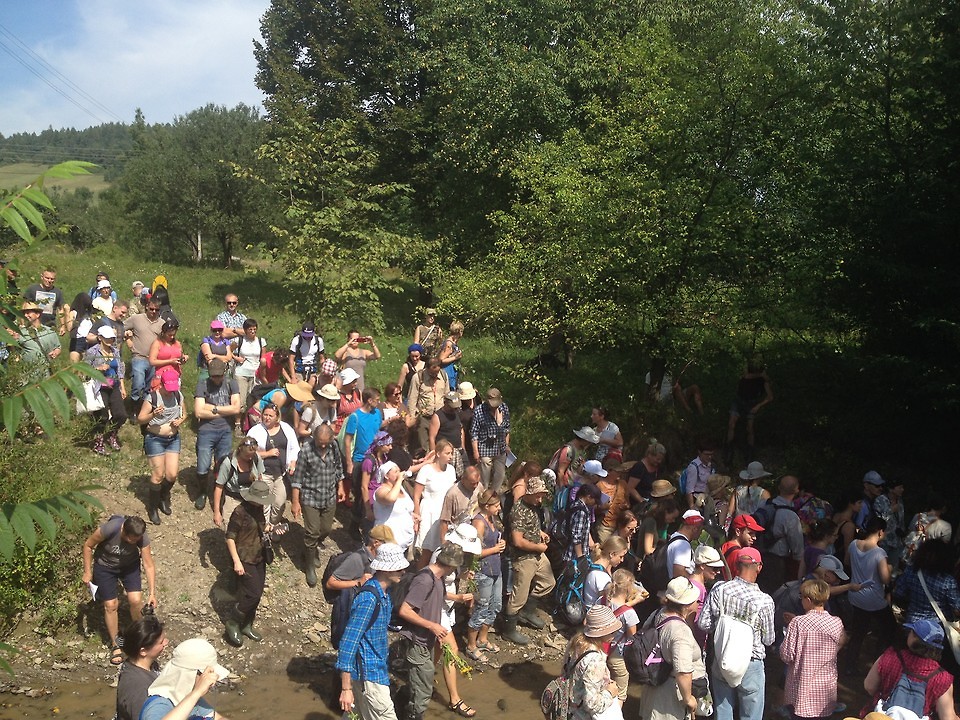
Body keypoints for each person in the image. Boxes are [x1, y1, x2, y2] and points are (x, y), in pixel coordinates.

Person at [698, 547, 775, 720]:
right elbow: (769, 639)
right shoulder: (765, 601)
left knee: (723, 710)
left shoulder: (719, 589)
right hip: (751, 663)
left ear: (736, 565)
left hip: (722, 657)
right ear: (759, 567)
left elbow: (704, 623)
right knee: (751, 714)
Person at [336, 542, 409, 720]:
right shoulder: (369, 599)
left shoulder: (385, 594)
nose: (403, 572)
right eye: (399, 568)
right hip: (369, 675)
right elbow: (348, 643)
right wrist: (346, 688)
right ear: (386, 570)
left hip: (374, 671)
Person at [397, 542, 465, 720]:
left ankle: (398, 707)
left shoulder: (438, 578)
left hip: (427, 640)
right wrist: (432, 626)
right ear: (451, 565)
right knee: (423, 691)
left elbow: (436, 600)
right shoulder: (425, 580)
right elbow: (405, 610)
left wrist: (437, 631)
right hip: (417, 641)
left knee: (418, 684)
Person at [81, 515, 157, 667]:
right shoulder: (110, 529)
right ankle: (116, 644)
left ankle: (140, 637)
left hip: (129, 567)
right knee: (111, 605)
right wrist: (87, 571)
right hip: (105, 567)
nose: (133, 542)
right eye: (130, 540)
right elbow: (88, 546)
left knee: (135, 600)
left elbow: (148, 565)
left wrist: (152, 593)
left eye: (136, 540)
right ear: (123, 531)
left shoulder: (142, 536)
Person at [639, 577, 707, 720]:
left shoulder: (657, 614)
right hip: (669, 700)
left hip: (653, 688)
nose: (698, 602)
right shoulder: (680, 631)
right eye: (696, 600)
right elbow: (682, 671)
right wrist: (688, 699)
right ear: (687, 604)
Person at [223, 478, 280, 647]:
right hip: (244, 557)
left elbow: (260, 527)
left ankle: (247, 624)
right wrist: (236, 562)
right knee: (253, 593)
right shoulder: (239, 512)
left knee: (258, 593)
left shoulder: (259, 509)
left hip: (258, 555)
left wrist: (272, 528)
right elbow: (230, 538)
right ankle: (233, 621)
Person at [780, 579, 847, 720]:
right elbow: (841, 641)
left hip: (801, 689)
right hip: (825, 691)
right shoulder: (836, 622)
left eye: (802, 597)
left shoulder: (798, 623)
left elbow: (787, 655)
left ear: (808, 600)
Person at [863, 619, 957, 720]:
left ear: (914, 638)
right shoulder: (942, 678)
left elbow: (869, 686)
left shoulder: (890, 657)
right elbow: (947, 717)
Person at [503, 474, 555, 645]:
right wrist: (538, 547)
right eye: (538, 496)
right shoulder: (518, 511)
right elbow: (518, 541)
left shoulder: (533, 506)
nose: (540, 499)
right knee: (519, 595)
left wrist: (540, 533)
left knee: (548, 582)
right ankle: (508, 629)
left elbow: (530, 525)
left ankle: (527, 611)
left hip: (537, 554)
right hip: (524, 557)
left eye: (542, 496)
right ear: (530, 493)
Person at [291, 424, 346, 586]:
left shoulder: (333, 446)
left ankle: (311, 548)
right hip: (311, 497)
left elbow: (338, 468)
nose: (322, 446)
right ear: (314, 438)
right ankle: (309, 565)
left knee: (326, 529)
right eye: (319, 442)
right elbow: (297, 479)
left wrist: (341, 487)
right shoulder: (306, 451)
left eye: (325, 443)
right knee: (312, 532)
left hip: (329, 496)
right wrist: (295, 502)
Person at [844, 516, 896, 669]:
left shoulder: (853, 544)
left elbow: (846, 562)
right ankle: (879, 663)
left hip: (855, 595)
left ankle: (849, 665)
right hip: (873, 598)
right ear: (880, 532)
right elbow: (885, 579)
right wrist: (890, 569)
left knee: (858, 632)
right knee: (889, 628)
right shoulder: (879, 553)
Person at [139, 638, 231, 720]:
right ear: (191, 674)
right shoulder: (158, 705)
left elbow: (218, 718)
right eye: (206, 677)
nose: (212, 683)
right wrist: (197, 692)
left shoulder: (191, 698)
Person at [137, 372, 186, 524]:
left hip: (173, 439)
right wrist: (153, 414)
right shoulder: (152, 398)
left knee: (172, 475)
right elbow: (140, 419)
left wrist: (180, 420)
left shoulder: (178, 395)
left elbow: (184, 414)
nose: (170, 391)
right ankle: (152, 508)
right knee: (158, 475)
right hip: (155, 439)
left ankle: (163, 497)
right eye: (168, 388)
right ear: (162, 384)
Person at [193, 358, 241, 511]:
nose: (216, 379)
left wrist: (213, 408)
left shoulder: (231, 383)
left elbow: (236, 409)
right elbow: (198, 412)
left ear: (224, 373)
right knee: (202, 466)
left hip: (225, 431)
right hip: (206, 430)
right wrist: (225, 410)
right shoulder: (202, 384)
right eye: (213, 376)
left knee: (222, 464)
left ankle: (218, 493)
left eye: (219, 376)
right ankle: (202, 491)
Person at [465, 489, 506, 662]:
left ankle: (482, 639)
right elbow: (474, 552)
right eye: (496, 506)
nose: (499, 508)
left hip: (495, 569)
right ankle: (471, 645)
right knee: (481, 608)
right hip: (483, 571)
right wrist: (495, 549)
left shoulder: (492, 519)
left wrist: (500, 543)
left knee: (495, 605)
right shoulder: (479, 523)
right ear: (487, 506)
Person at [564, 605, 625, 720]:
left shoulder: (576, 643)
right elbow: (592, 704)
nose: (615, 634)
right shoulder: (595, 660)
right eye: (612, 631)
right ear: (601, 633)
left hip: (571, 708)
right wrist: (610, 692)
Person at [893, 529, 960, 623]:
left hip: (913, 622)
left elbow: (899, 593)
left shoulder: (911, 571)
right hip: (937, 626)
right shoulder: (948, 581)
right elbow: (957, 609)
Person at [246, 402, 297, 523]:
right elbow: (247, 452)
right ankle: (264, 528)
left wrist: (293, 461)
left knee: (279, 503)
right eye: (265, 415)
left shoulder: (286, 429)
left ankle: (273, 523)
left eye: (270, 416)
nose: (267, 418)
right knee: (264, 504)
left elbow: (294, 447)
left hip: (281, 474)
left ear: (277, 417)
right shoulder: (255, 431)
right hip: (263, 473)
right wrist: (267, 453)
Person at [412, 439, 458, 567]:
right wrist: (417, 516)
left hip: (445, 513)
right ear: (438, 453)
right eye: (447, 453)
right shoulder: (426, 470)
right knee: (427, 552)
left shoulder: (451, 470)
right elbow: (416, 496)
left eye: (451, 453)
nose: (450, 456)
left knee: (442, 551)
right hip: (429, 512)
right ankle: (420, 576)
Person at [758, 475, 805, 594]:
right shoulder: (791, 516)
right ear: (796, 491)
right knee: (774, 595)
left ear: (779, 487)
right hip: (777, 564)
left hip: (758, 556)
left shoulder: (764, 504)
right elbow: (797, 548)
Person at [345, 388, 385, 529]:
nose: (379, 402)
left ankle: (370, 520)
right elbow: (348, 440)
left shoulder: (377, 413)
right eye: (377, 399)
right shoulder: (355, 417)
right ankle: (355, 525)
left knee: (373, 489)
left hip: (375, 457)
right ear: (369, 400)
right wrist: (349, 463)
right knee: (360, 493)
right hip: (360, 459)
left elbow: (378, 429)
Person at [85, 325, 128, 455]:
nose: (110, 340)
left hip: (113, 386)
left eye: (112, 338)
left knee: (121, 415)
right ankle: (98, 441)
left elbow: (120, 370)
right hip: (100, 388)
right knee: (102, 417)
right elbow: (84, 370)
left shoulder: (115, 352)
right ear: (100, 338)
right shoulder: (92, 352)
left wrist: (122, 387)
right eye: (108, 338)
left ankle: (111, 434)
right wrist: (97, 369)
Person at [115, 615, 168, 720]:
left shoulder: (148, 664)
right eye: (161, 642)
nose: (166, 642)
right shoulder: (137, 688)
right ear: (143, 651)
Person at [603, 569, 644, 702]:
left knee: (602, 688)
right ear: (628, 588)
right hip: (617, 656)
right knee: (619, 695)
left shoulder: (602, 600)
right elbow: (632, 640)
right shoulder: (629, 614)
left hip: (600, 651)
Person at [725, 357, 773, 464]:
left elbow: (770, 397)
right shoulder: (747, 375)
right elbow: (745, 376)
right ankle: (729, 452)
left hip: (751, 404)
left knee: (750, 429)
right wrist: (760, 375)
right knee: (731, 424)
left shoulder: (763, 382)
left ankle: (750, 455)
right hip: (739, 401)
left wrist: (758, 406)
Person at [211, 437, 266, 530]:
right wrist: (217, 512)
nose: (250, 458)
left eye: (252, 455)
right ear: (240, 450)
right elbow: (219, 487)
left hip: (251, 500)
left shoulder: (256, 458)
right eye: (247, 456)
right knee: (231, 531)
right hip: (233, 499)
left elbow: (260, 478)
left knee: (250, 531)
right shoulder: (228, 463)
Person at [123, 297, 164, 412]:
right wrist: (127, 337)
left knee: (149, 386)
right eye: (151, 309)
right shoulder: (136, 319)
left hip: (154, 360)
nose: (154, 312)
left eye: (157, 310)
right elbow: (120, 327)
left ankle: (144, 409)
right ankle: (134, 404)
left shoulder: (162, 323)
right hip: (139, 357)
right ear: (146, 307)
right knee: (138, 382)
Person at [471, 387, 511, 494]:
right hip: (484, 447)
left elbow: (507, 428)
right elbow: (474, 433)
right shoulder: (479, 411)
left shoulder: (504, 408)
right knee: (485, 477)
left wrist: (507, 444)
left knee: (500, 474)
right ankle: (483, 495)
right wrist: (475, 452)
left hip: (500, 447)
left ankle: (493, 495)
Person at [10, 301, 61, 382]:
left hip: (46, 374)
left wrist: (56, 352)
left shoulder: (50, 332)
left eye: (28, 313)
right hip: (27, 376)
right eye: (24, 313)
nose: (25, 315)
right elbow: (13, 350)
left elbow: (58, 347)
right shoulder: (20, 332)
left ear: (37, 314)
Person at [407, 357, 449, 451]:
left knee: (440, 445)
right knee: (424, 446)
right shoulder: (418, 377)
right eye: (432, 373)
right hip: (424, 417)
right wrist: (412, 418)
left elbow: (447, 395)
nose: (435, 375)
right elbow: (412, 399)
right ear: (427, 368)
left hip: (439, 417)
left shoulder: (443, 375)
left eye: (437, 372)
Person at [373, 461, 416, 551]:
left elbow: (403, 508)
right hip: (388, 542)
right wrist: (399, 480)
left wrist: (412, 515)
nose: (399, 474)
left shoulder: (400, 488)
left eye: (399, 471)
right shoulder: (381, 491)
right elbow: (391, 499)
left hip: (404, 541)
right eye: (396, 472)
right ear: (386, 476)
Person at [438, 465, 482, 541]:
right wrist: (443, 541)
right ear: (463, 480)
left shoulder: (479, 487)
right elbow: (444, 520)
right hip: (457, 533)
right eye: (472, 483)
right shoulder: (452, 494)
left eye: (477, 482)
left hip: (474, 530)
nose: (475, 486)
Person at [583, 535, 627, 608]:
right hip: (594, 613)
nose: (622, 560)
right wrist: (635, 601)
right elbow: (611, 607)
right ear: (612, 554)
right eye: (621, 556)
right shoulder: (601, 577)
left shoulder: (593, 564)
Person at [233, 318, 265, 418]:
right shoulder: (240, 340)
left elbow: (263, 358)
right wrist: (236, 358)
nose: (253, 331)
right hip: (241, 373)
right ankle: (237, 422)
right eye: (250, 329)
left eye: (254, 329)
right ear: (245, 330)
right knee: (241, 401)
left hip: (255, 374)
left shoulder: (261, 341)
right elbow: (228, 350)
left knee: (252, 400)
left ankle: (249, 421)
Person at [429, 391, 466, 477]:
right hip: (445, 453)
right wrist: (434, 455)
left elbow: (461, 429)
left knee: (464, 475)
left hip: (459, 450)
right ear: (445, 403)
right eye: (452, 407)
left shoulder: (457, 413)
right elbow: (432, 438)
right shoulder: (437, 416)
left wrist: (463, 446)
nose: (454, 409)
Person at [23, 266, 68, 333]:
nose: (49, 281)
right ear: (42, 277)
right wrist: (23, 323)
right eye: (47, 278)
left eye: (52, 279)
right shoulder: (33, 289)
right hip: (34, 324)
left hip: (50, 326)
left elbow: (60, 310)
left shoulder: (57, 292)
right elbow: (25, 306)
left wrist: (63, 326)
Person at [874, 478, 906, 571]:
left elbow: (901, 520)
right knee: (880, 568)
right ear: (891, 489)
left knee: (893, 570)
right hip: (884, 541)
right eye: (899, 487)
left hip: (897, 541)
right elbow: (879, 520)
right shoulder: (880, 500)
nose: (902, 490)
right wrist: (891, 510)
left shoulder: (900, 501)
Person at [148, 318, 188, 387]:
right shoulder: (157, 343)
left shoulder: (177, 344)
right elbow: (152, 361)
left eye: (174, 335)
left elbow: (180, 356)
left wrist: (184, 358)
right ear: (164, 333)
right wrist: (170, 361)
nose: (172, 337)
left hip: (175, 375)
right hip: (161, 376)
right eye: (169, 335)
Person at [683, 439, 717, 509]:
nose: (709, 457)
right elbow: (689, 489)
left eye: (711, 454)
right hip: (697, 499)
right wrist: (692, 507)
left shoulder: (712, 465)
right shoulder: (694, 467)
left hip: (708, 498)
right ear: (699, 452)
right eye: (706, 454)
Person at [68, 292, 96, 362]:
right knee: (75, 365)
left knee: (88, 364)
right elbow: (69, 327)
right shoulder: (74, 312)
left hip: (89, 340)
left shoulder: (90, 314)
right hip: (77, 340)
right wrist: (71, 318)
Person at [437, 320, 464, 390]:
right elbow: (441, 359)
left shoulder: (453, 342)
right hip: (448, 371)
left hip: (453, 371)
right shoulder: (449, 344)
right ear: (460, 332)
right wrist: (455, 357)